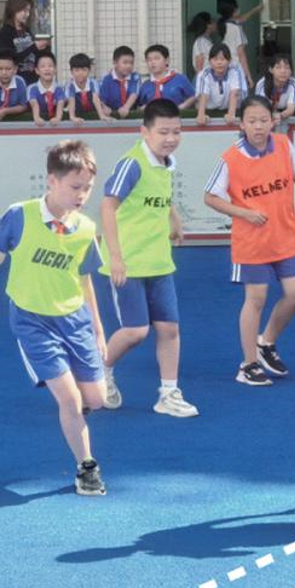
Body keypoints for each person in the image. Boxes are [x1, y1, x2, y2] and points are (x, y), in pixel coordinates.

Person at [0, 140, 110, 496]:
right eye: (75, 186)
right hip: (33, 321)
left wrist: (98, 329)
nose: (82, 195)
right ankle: (87, 467)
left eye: (87, 188)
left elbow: (84, 278)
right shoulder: (20, 215)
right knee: (69, 400)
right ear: (52, 181)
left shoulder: (86, 228)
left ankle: (76, 407)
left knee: (97, 399)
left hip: (75, 320)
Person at [203, 95, 295, 385]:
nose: (258, 126)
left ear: (273, 121)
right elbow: (210, 197)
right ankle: (248, 364)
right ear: (241, 124)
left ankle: (266, 342)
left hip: (286, 236)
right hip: (252, 242)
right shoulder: (230, 158)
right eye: (252, 121)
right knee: (256, 299)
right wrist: (244, 212)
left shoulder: (283, 145)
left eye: (264, 120)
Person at [98, 100, 197, 418]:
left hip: (159, 261)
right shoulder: (132, 163)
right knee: (136, 331)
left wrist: (174, 219)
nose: (171, 138)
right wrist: (116, 257)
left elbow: (159, 197)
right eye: (163, 132)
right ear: (145, 132)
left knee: (169, 328)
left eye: (176, 132)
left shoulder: (166, 162)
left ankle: (168, 393)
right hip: (128, 263)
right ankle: (100, 371)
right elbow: (107, 206)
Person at [0, 0, 49, 81]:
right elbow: (8, 59)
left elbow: (33, 54)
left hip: (33, 78)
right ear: (14, 9)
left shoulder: (26, 30)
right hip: (15, 80)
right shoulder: (5, 32)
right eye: (24, 11)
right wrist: (34, 47)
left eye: (28, 11)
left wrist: (42, 47)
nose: (27, 14)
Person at [195, 43, 246, 127]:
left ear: (229, 60)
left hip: (230, 110)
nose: (219, 62)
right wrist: (201, 115)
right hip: (209, 111)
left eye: (223, 59)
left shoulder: (235, 72)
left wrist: (231, 114)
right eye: (215, 59)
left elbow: (234, 93)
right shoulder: (204, 74)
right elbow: (203, 95)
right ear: (209, 61)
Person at [137, 45, 195, 109]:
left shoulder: (180, 79)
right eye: (149, 60)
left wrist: (183, 106)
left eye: (157, 58)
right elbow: (140, 105)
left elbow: (193, 96)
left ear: (167, 60)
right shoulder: (145, 86)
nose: (153, 62)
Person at [216, 0, 259, 80]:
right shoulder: (236, 28)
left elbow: (243, 18)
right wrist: (248, 76)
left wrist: (255, 10)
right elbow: (241, 54)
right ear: (234, 11)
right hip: (236, 68)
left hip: (226, 67)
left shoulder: (224, 25)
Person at [98, 46, 141, 119]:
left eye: (131, 63)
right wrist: (103, 106)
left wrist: (126, 107)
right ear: (115, 62)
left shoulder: (135, 76)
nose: (129, 66)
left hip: (131, 115)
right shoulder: (106, 78)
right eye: (125, 62)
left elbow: (134, 93)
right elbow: (99, 97)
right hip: (111, 117)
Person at [254, 54, 295, 122]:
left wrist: (280, 116)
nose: (283, 71)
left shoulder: (294, 84)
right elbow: (260, 107)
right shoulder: (262, 84)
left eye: (287, 68)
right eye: (278, 67)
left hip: (287, 114)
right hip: (265, 113)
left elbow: (291, 109)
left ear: (291, 71)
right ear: (271, 70)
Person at [64, 53, 108, 123]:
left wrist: (101, 115)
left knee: (104, 107)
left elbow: (95, 99)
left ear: (89, 70)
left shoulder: (92, 83)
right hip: (76, 108)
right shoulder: (70, 85)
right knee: (68, 105)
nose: (80, 73)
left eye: (84, 70)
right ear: (72, 72)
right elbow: (71, 100)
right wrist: (72, 117)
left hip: (91, 107)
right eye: (77, 70)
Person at [28, 50, 65, 126]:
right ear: (37, 70)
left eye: (50, 66)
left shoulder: (59, 88)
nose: (47, 69)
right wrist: (37, 118)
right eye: (43, 66)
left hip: (55, 125)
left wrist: (58, 118)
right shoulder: (32, 88)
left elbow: (60, 104)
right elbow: (34, 104)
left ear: (55, 69)